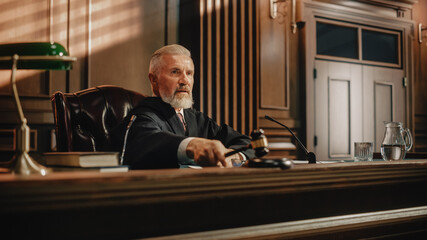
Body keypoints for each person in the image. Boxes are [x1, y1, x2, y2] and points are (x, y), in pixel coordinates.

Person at [115, 44, 254, 169]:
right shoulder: (143, 116)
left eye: (189, 73)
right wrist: (193, 145)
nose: (185, 81)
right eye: (175, 72)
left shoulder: (197, 119)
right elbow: (149, 141)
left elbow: (245, 142)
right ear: (154, 79)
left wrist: (234, 156)